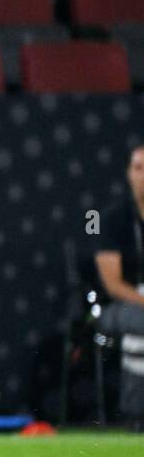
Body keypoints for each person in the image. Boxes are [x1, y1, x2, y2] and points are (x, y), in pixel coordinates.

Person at [95, 143, 144, 420]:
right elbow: (112, 284)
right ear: (129, 174)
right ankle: (136, 412)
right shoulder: (114, 219)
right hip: (121, 305)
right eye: (138, 168)